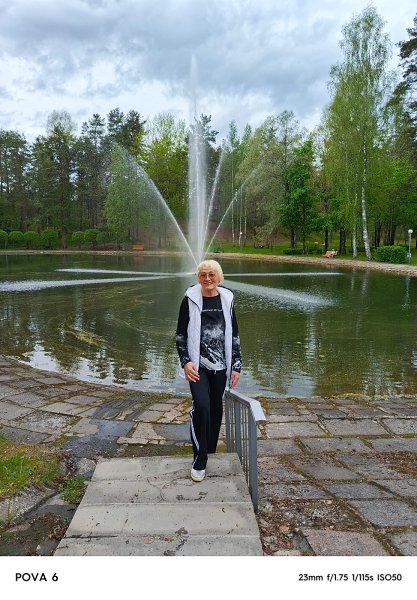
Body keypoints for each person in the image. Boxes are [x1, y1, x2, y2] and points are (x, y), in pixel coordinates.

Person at [176, 259, 242, 482]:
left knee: (215, 409)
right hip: (198, 366)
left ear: (219, 277)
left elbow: (234, 335)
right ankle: (200, 457)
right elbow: (180, 335)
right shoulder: (190, 299)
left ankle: (210, 449)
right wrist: (186, 362)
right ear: (198, 278)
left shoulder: (227, 299)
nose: (207, 279)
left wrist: (236, 365)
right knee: (202, 406)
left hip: (221, 367)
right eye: (203, 275)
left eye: (211, 274)